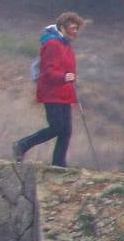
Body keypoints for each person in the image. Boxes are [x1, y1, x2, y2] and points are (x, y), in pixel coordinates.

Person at [13, 12, 86, 167]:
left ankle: (59, 165)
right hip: (51, 93)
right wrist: (65, 77)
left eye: (77, 28)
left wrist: (70, 80)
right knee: (57, 127)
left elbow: (66, 71)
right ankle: (22, 145)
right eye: (73, 28)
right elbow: (48, 71)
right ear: (62, 27)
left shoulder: (65, 44)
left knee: (66, 130)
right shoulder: (53, 44)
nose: (76, 32)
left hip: (64, 93)